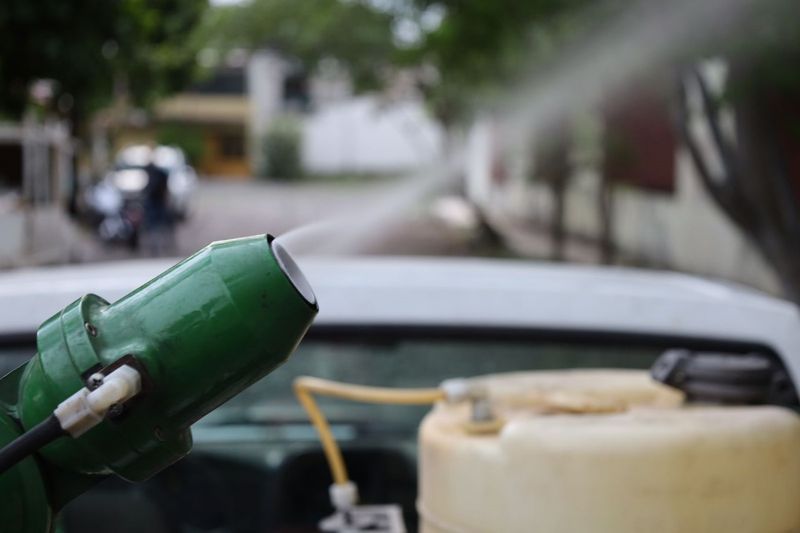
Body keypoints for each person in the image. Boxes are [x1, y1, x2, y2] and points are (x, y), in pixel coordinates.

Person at [142, 148, 174, 256]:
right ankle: (157, 245)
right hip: (154, 201)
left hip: (157, 201)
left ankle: (160, 245)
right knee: (155, 224)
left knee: (159, 224)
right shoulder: (152, 171)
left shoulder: (159, 172)